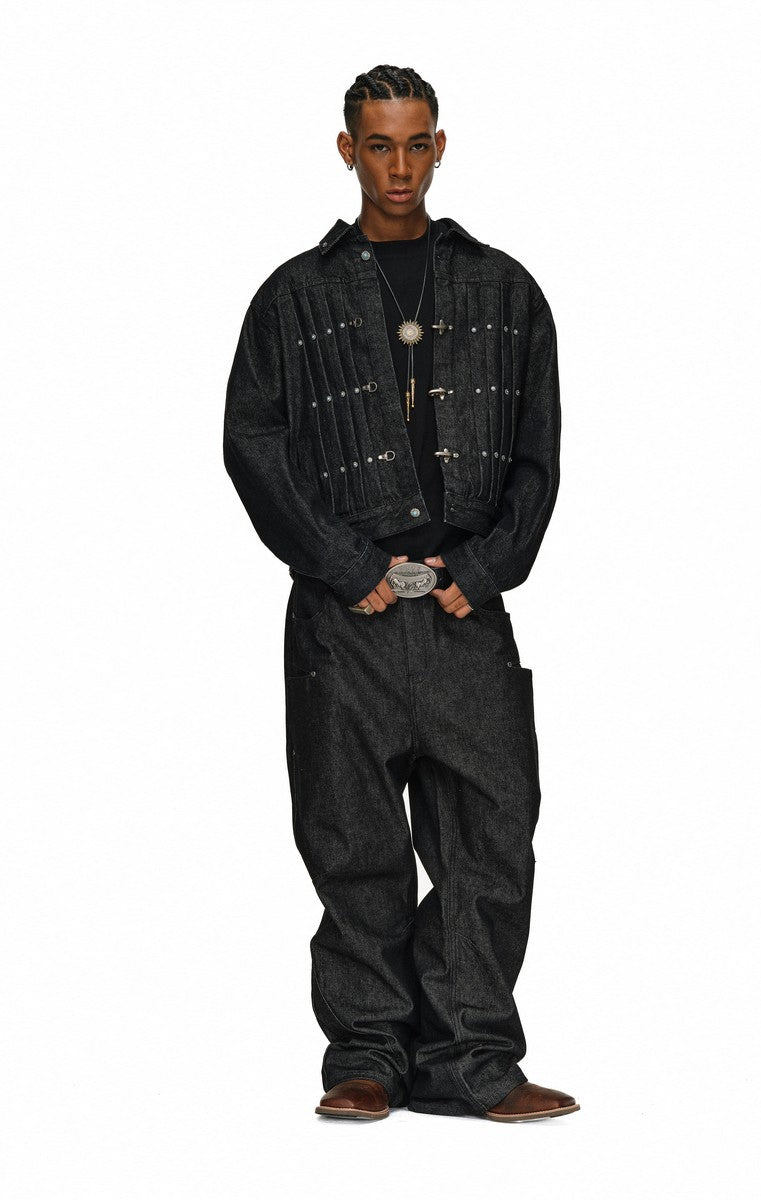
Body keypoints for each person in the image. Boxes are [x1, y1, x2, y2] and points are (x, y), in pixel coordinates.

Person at [223, 64, 578, 1123]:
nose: (398, 166)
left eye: (415, 143)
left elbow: (537, 455)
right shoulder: (294, 297)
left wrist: (484, 569)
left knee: (492, 836)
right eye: (378, 144)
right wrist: (345, 567)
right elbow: (254, 447)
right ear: (348, 150)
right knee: (354, 843)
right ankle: (368, 1058)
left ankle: (471, 1059)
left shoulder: (505, 289)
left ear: (439, 147)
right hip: (346, 618)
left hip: (466, 609)